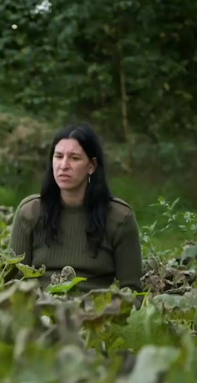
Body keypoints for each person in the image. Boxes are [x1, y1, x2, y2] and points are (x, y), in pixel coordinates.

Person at [8, 123, 143, 293]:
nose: (64, 165)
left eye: (74, 158)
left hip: (96, 314)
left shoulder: (120, 218)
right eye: (58, 156)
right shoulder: (30, 213)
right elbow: (12, 285)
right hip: (40, 312)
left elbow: (133, 291)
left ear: (91, 166)